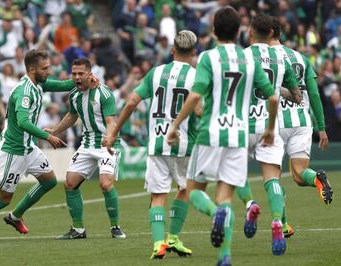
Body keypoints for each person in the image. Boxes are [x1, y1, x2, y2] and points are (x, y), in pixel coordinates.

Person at [166, 7, 278, 266]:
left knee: (193, 189)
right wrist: (271, 129)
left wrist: (175, 124)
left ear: (214, 30)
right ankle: (224, 256)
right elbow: (272, 96)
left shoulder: (208, 58)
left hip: (210, 133)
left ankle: (216, 214)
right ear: (239, 31)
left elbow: (195, 96)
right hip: (238, 135)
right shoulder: (249, 59)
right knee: (226, 196)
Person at [0, 49, 93, 242]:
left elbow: (65, 84)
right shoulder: (24, 91)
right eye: (45, 68)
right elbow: (23, 122)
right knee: (3, 198)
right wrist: (48, 137)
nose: (49, 71)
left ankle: (15, 216)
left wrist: (86, 79)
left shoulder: (39, 84)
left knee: (49, 181)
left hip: (28, 147)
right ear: (32, 69)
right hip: (13, 151)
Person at [105, 30, 198, 259]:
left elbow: (131, 103)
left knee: (158, 195)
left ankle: (159, 244)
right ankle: (174, 238)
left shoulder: (156, 73)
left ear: (172, 50)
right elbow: (200, 110)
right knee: (184, 189)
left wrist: (114, 132)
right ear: (194, 52)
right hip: (184, 143)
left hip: (157, 143)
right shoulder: (196, 76)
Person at [237, 13, 301, 256]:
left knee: (234, 172)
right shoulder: (280, 57)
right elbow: (295, 94)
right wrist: (279, 90)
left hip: (242, 123)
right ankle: (277, 222)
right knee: (272, 178)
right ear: (272, 34)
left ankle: (249, 204)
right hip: (269, 125)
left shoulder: (242, 55)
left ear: (251, 33)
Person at [47, 58, 126, 240]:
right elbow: (72, 116)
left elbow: (110, 121)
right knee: (69, 184)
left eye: (81, 73)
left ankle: (115, 226)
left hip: (107, 144)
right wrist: (55, 130)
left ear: (90, 74)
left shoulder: (104, 93)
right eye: (74, 73)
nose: (76, 77)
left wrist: (110, 137)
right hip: (87, 144)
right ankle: (78, 230)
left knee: (105, 184)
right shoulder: (74, 94)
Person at [269, 16, 333, 237]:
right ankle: (317, 178)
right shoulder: (301, 57)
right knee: (299, 174)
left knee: (273, 177)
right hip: (302, 122)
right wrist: (322, 127)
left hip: (275, 122)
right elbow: (314, 93)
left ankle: (283, 224)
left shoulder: (263, 58)